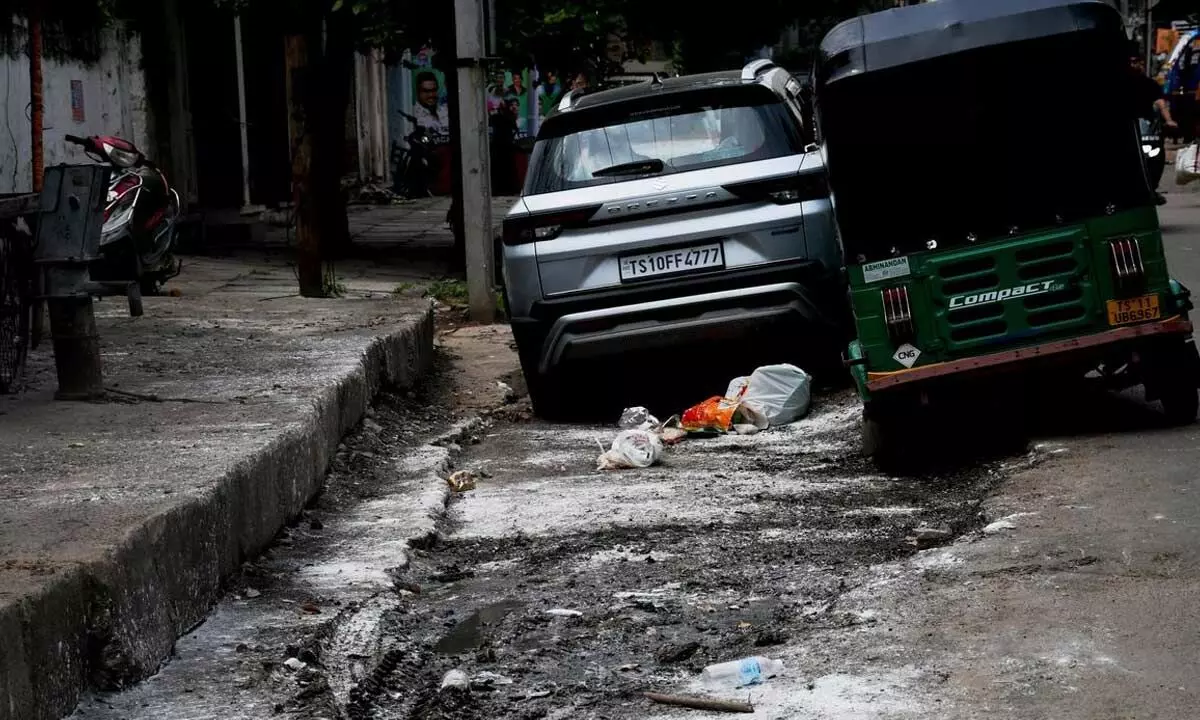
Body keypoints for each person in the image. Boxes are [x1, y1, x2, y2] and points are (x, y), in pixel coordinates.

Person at [1129, 47, 1178, 204]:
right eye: (1133, 62)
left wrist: (1169, 120)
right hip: (1126, 130)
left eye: (1139, 62)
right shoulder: (1120, 84)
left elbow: (1160, 103)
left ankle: (1152, 186)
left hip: (1147, 129)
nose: (1136, 66)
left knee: (1156, 154)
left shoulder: (1149, 84)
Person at [413, 71, 449, 136]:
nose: (431, 95)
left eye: (434, 90)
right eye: (426, 91)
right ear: (418, 92)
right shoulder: (413, 114)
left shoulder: (446, 110)